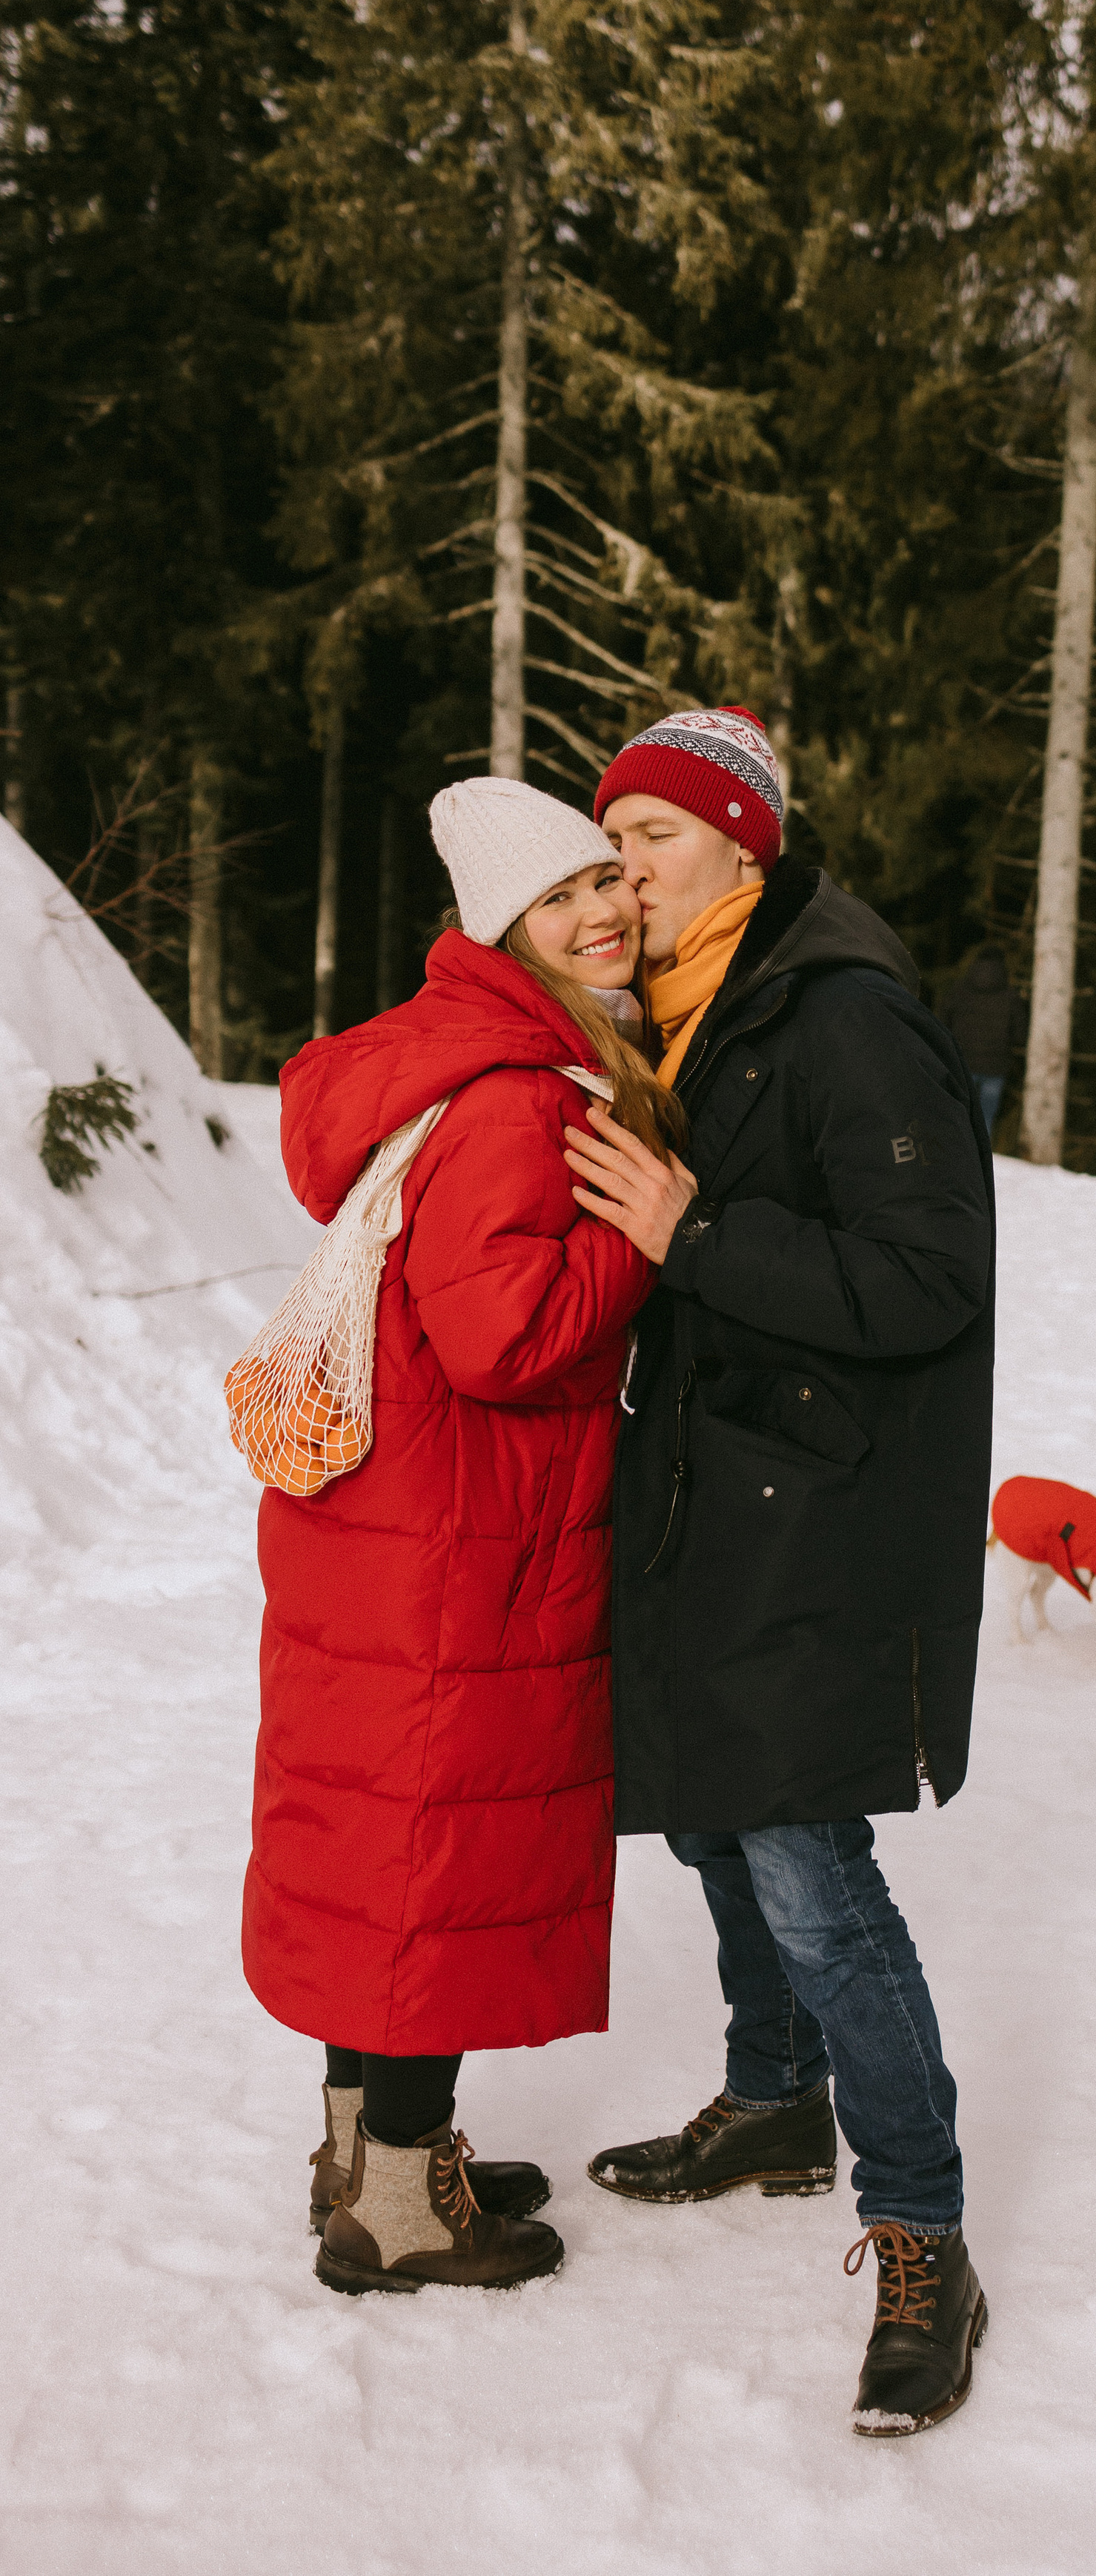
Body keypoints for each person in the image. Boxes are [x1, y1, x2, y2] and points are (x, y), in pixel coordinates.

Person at [562, 705, 997, 2437]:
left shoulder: (842, 1015)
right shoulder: (687, 1014)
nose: (624, 876)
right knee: (713, 1808)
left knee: (809, 1858)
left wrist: (694, 1233)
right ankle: (771, 2098)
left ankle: (922, 2227)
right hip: (703, 1492)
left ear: (741, 844)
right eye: (608, 848)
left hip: (818, 1511)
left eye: (651, 840)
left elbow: (921, 1281)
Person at [242, 776, 681, 2296]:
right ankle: (404, 2215)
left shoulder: (456, 1052)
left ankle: (367, 2154)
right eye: (562, 898)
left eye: (607, 883)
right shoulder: (516, 1089)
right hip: (460, 1540)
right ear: (503, 930)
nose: (605, 912)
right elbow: (501, 1337)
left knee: (381, 1855)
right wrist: (639, 1238)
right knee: (432, 1860)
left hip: (390, 1527)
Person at [937, 941, 1028, 1139]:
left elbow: (942, 1023)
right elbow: (1020, 1036)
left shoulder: (959, 990)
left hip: (962, 1063)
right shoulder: (1011, 997)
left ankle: (954, 1147)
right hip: (995, 1066)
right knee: (986, 1117)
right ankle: (981, 1159)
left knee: (958, 1111)